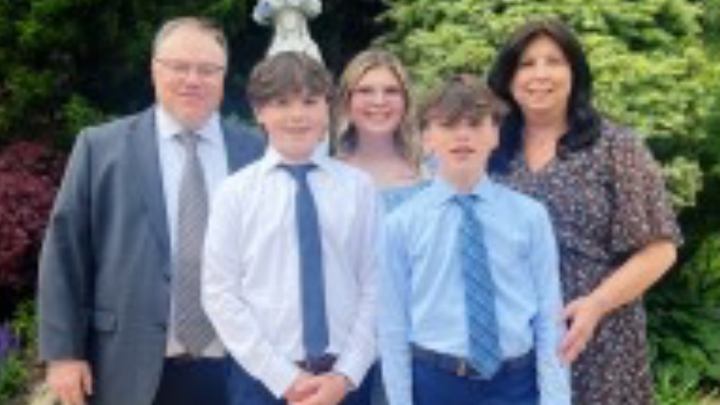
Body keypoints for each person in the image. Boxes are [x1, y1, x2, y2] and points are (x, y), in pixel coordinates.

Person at [37, 17, 264, 405]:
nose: (193, 79)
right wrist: (63, 354)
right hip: (128, 367)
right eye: (179, 66)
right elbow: (65, 253)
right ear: (154, 70)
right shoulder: (100, 148)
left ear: (224, 76)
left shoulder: (256, 151)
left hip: (238, 371)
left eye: (207, 69)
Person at [487, 18, 681, 405]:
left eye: (554, 61)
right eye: (526, 64)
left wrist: (597, 305)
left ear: (575, 72)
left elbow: (660, 249)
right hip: (511, 343)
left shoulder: (616, 146)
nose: (540, 74)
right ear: (508, 78)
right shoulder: (490, 150)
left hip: (600, 339)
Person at [380, 74, 570, 405]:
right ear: (426, 137)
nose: (462, 135)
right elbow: (392, 323)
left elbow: (548, 316)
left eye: (475, 123)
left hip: (516, 385)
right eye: (448, 124)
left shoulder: (529, 216)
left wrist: (556, 398)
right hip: (435, 383)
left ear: (494, 134)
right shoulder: (400, 224)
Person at [202, 51, 379, 405]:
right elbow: (220, 293)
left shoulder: (359, 188)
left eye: (310, 101)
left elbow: (377, 284)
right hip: (262, 381)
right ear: (259, 112)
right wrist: (282, 377)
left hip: (346, 380)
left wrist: (346, 375)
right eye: (282, 103)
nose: (297, 115)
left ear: (327, 109)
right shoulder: (234, 193)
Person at [334, 49, 424, 212]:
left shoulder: (431, 173)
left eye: (391, 91)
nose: (379, 101)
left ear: (406, 102)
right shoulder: (324, 176)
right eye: (365, 91)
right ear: (346, 103)